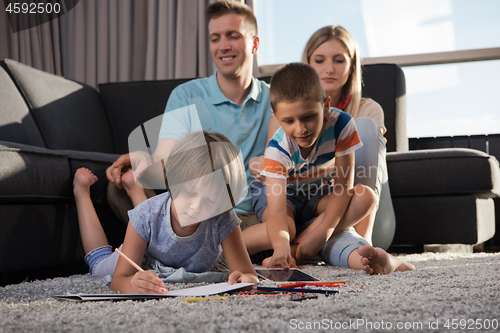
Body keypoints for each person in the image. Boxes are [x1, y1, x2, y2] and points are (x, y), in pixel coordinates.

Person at [105, 0, 270, 233]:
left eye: (233, 36)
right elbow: (167, 155)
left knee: (278, 226)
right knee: (118, 188)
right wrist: (144, 159)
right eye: (215, 38)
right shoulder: (186, 94)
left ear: (254, 44)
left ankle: (181, 249)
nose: (223, 46)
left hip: (251, 216)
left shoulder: (274, 100)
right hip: (197, 211)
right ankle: (203, 248)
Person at [243, 63, 414, 275]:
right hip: (281, 194)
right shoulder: (278, 149)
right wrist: (280, 248)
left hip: (315, 191)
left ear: (325, 106)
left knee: (366, 197)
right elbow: (277, 212)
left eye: (308, 117)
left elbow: (343, 187)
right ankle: (227, 247)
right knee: (287, 228)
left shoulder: (342, 124)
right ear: (276, 117)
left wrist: (323, 232)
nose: (301, 129)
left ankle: (302, 248)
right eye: (288, 121)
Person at [74, 131, 259, 294]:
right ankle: (81, 191)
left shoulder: (222, 218)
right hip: (136, 256)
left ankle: (134, 187)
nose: (196, 207)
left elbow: (248, 273)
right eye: (190, 193)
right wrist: (130, 284)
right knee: (98, 264)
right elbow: (118, 280)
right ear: (172, 182)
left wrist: (247, 279)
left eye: (210, 201)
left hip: (156, 235)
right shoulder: (145, 215)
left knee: (155, 215)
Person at [302, 25, 393, 246]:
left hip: (364, 212)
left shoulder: (369, 109)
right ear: (308, 65)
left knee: (364, 126)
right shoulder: (295, 115)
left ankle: (364, 242)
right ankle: (313, 242)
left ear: (352, 65)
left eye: (339, 60)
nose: (329, 69)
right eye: (320, 60)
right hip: (316, 215)